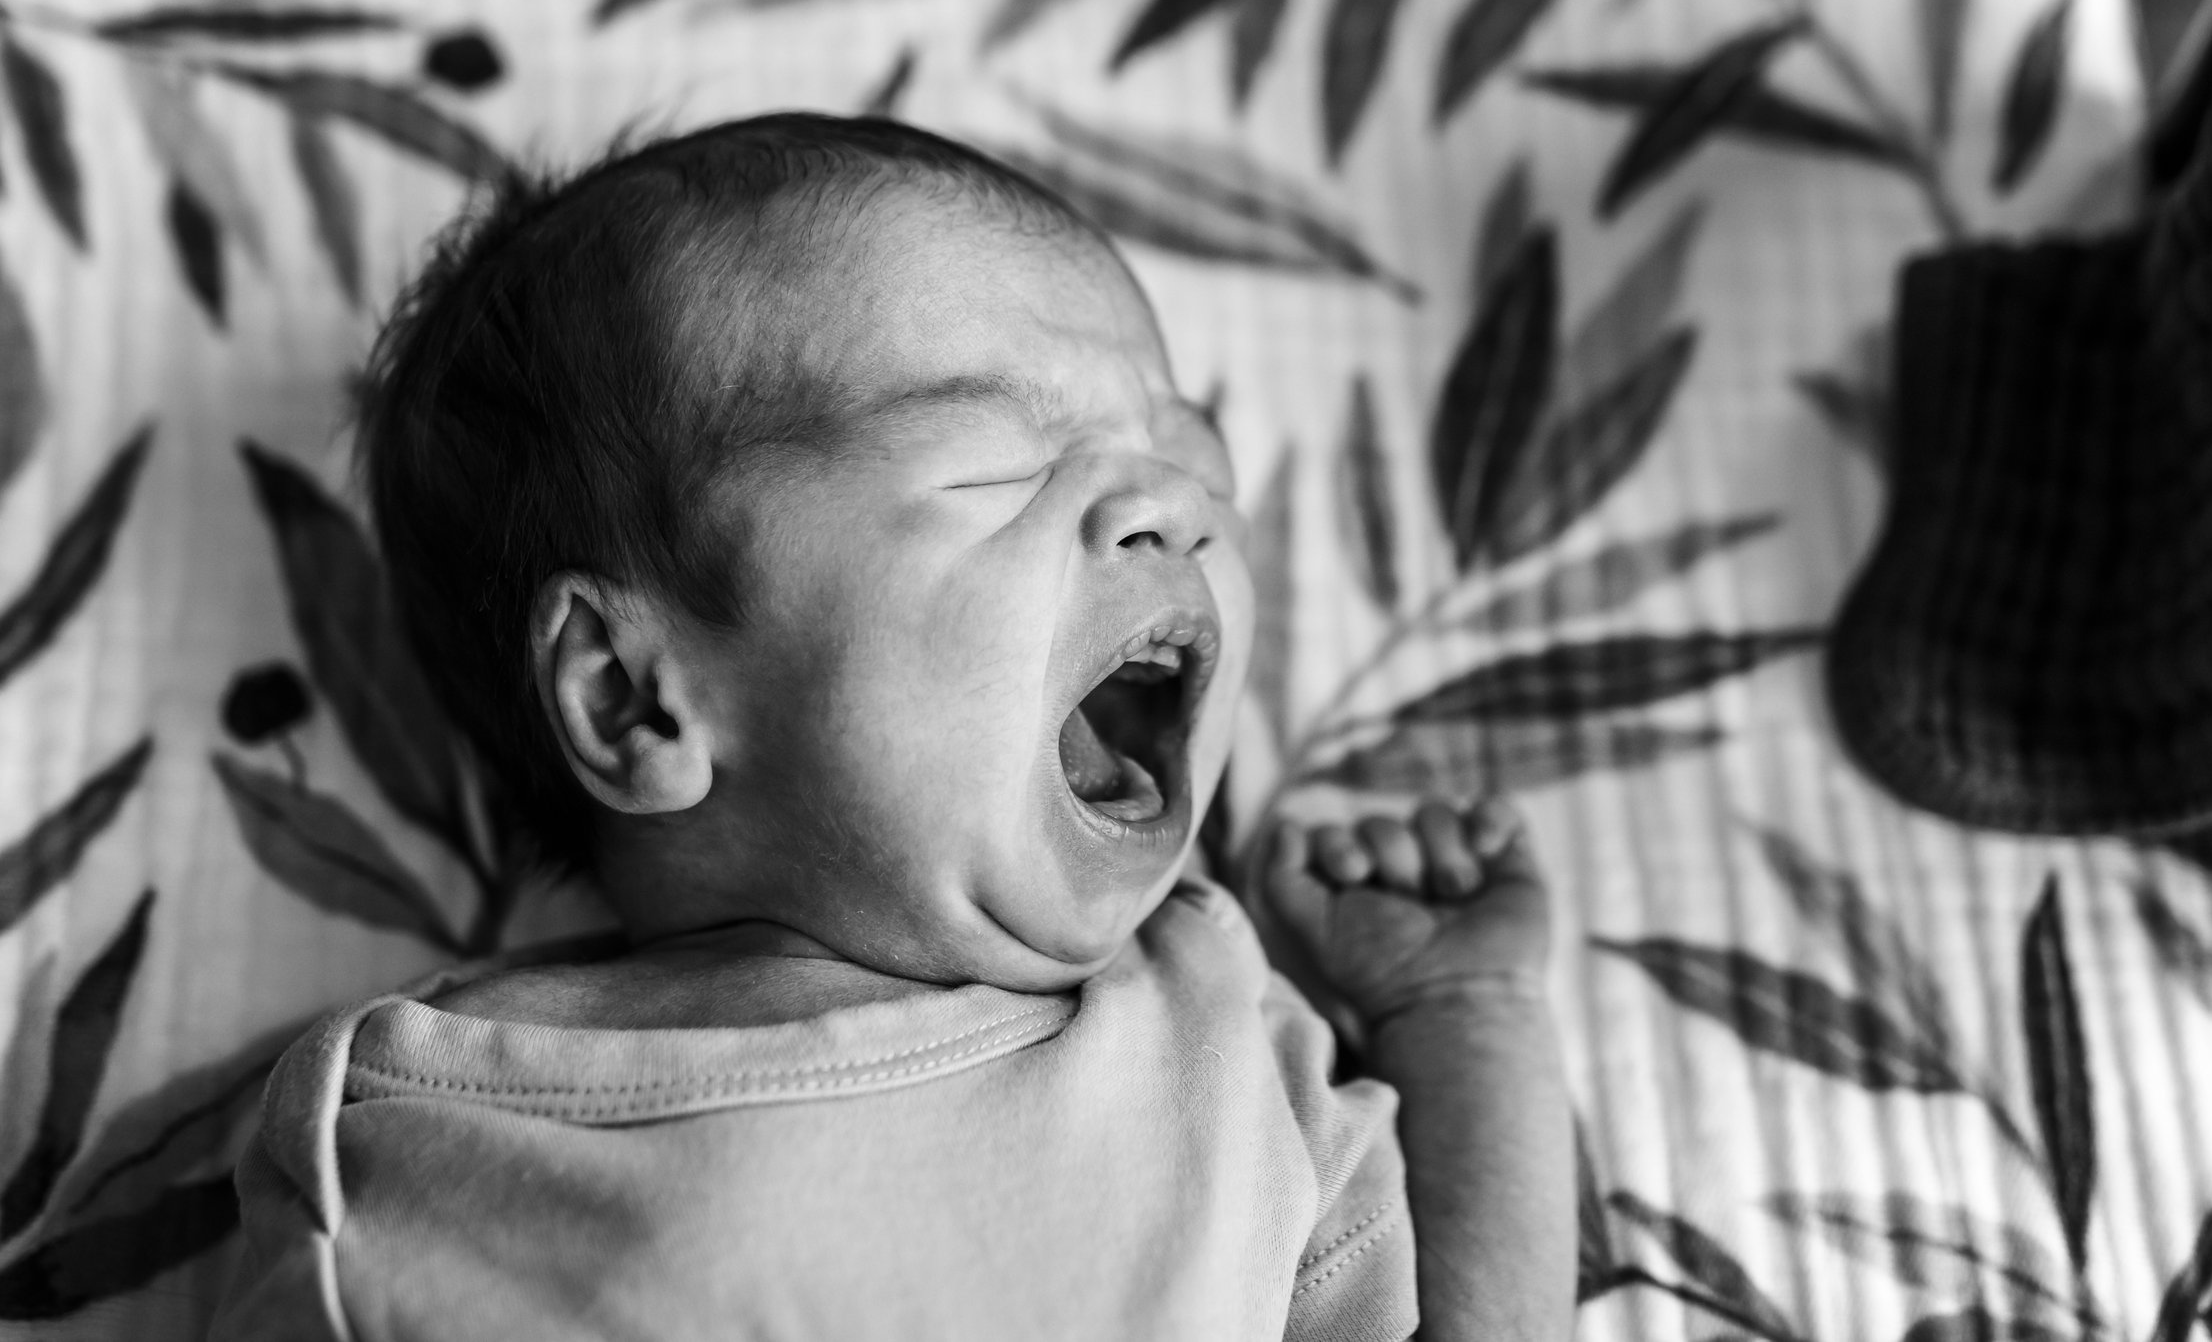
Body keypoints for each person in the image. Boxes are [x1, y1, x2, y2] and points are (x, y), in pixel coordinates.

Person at [210, 114, 1573, 1342]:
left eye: (1192, 459)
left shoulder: (1220, 1047)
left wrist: (1465, 1017)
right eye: (1004, 460)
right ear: (631, 697)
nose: (1175, 507)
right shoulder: (429, 1123)